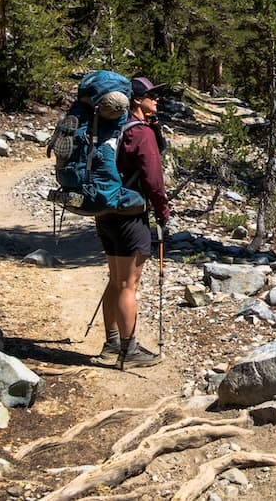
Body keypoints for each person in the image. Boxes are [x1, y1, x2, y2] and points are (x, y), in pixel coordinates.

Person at [93, 75, 171, 368]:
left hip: (105, 212)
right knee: (128, 284)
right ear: (137, 100)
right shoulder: (141, 133)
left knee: (115, 280)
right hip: (130, 216)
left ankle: (112, 344)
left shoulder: (114, 129)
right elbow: (153, 179)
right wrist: (163, 211)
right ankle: (129, 351)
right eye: (152, 95)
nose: (156, 99)